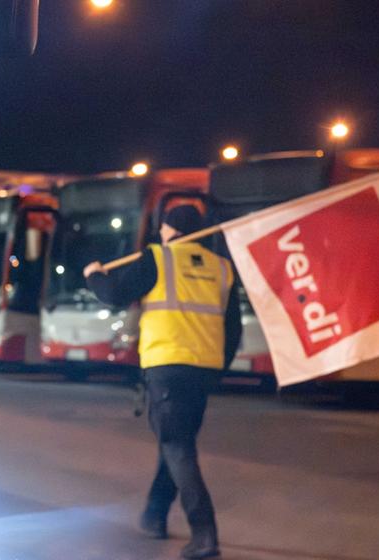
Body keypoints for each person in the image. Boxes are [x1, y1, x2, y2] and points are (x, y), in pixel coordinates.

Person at [83, 205, 241, 560]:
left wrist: (93, 275)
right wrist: (217, 368)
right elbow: (233, 330)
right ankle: (154, 515)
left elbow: (113, 293)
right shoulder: (221, 268)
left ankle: (204, 534)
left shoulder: (158, 258)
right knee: (175, 442)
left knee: (177, 446)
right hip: (202, 371)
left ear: (167, 229)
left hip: (167, 366)